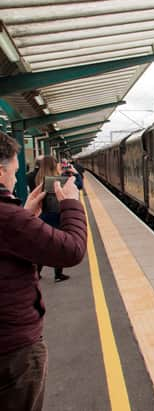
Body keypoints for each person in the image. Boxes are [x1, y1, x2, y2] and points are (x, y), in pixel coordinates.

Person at [0, 131, 87, 411]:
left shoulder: (11, 217)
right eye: (12, 171)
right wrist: (72, 203)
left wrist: (24, 214)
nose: (16, 178)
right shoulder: (6, 216)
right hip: (13, 353)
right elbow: (72, 250)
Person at [35, 156, 73, 282]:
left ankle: (37, 272)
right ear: (53, 165)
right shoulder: (57, 180)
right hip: (56, 215)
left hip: (42, 215)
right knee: (58, 246)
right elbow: (77, 184)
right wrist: (74, 173)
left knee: (42, 247)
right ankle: (58, 274)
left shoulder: (34, 177)